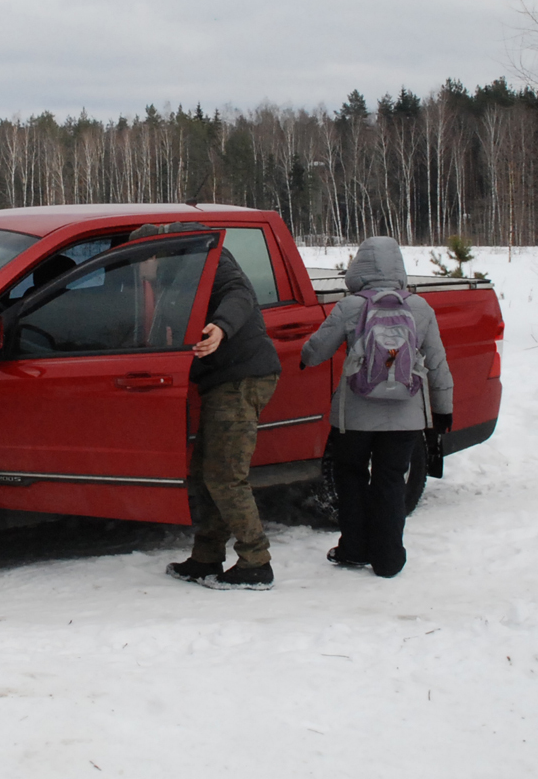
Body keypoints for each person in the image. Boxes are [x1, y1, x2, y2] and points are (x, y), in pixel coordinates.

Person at [301, 236, 453, 578]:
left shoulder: (350, 307)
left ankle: (354, 549)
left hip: (355, 416)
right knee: (391, 480)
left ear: (360, 267)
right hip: (405, 416)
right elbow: (438, 364)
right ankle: (389, 559)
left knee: (351, 476)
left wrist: (304, 357)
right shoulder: (420, 308)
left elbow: (317, 351)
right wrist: (443, 409)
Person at [141, 224, 281, 590]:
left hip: (242, 377)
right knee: (206, 471)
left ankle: (256, 562)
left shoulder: (209, 261)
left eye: (141, 261)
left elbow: (239, 294)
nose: (140, 270)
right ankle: (206, 557)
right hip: (220, 380)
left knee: (225, 474)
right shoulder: (175, 277)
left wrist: (220, 327)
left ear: (155, 253)